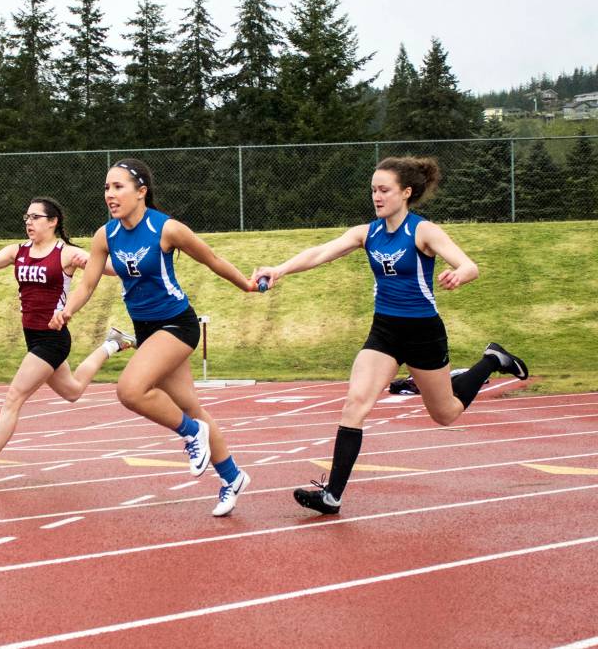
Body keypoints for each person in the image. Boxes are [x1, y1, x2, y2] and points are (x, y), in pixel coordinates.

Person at [252, 156, 528, 516]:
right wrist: (280, 269)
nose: (376, 197)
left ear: (406, 193)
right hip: (385, 330)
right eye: (373, 190)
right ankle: (332, 495)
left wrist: (459, 274)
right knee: (355, 403)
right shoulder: (368, 233)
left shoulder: (423, 231)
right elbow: (322, 252)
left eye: (384, 190)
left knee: (445, 414)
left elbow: (469, 265)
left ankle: (492, 360)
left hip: (423, 332)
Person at [50, 159, 256, 517]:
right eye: (106, 188)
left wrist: (247, 285)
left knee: (130, 390)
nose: (110, 195)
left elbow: (212, 259)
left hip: (177, 324)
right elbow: (88, 284)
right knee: (191, 406)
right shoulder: (105, 235)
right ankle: (232, 476)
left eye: (118, 187)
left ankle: (191, 433)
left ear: (141, 191)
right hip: (146, 330)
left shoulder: (166, 228)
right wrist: (67, 310)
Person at [0, 197, 135, 482]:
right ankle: (113, 343)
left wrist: (101, 260)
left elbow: (111, 268)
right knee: (73, 391)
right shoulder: (17, 251)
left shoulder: (66, 253)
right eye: (26, 217)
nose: (29, 222)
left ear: (53, 222)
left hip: (52, 339)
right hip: (33, 337)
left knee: (13, 397)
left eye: (35, 217)